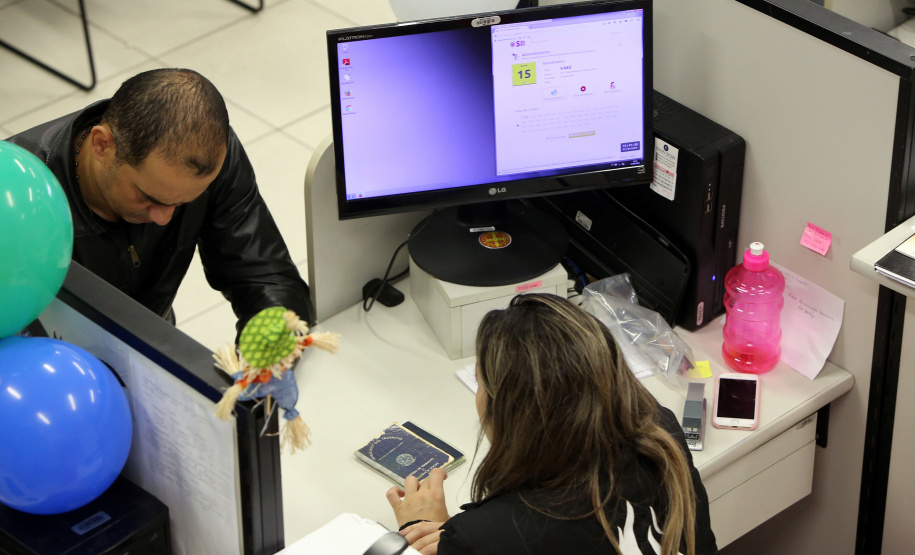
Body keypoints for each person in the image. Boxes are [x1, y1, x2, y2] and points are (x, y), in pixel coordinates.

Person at [385, 293, 718, 555]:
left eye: (480, 380)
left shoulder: (490, 536)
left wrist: (422, 529)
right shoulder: (662, 431)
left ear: (511, 412)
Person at [5, 68, 314, 333]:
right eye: (148, 197)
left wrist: (277, 341)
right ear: (102, 145)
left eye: (182, 204)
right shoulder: (13, 200)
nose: (164, 218)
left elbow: (260, 272)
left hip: (152, 343)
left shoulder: (205, 166)